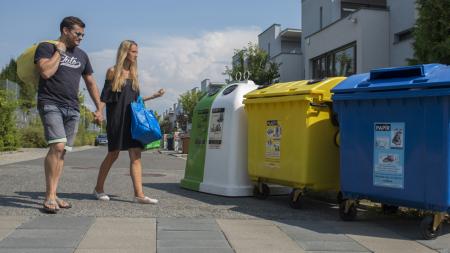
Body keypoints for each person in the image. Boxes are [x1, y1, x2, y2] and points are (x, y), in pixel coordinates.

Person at [35, 16, 103, 213]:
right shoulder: (46, 48)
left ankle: (54, 194)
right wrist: (59, 51)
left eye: (83, 34)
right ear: (65, 31)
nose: (81, 38)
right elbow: (46, 72)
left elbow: (90, 82)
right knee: (57, 145)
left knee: (62, 151)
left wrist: (99, 108)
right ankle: (49, 197)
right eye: (77, 33)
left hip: (72, 108)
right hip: (50, 103)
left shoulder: (82, 55)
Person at [94, 40, 164, 204]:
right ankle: (98, 188)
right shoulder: (112, 72)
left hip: (132, 120)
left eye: (137, 52)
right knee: (113, 154)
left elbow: (134, 99)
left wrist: (153, 96)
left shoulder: (134, 74)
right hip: (117, 119)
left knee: (136, 155)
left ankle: (139, 194)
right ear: (125, 52)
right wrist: (99, 111)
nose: (136, 55)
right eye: (133, 52)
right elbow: (105, 97)